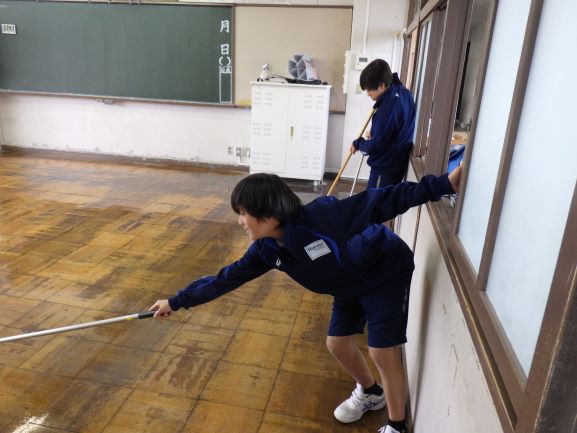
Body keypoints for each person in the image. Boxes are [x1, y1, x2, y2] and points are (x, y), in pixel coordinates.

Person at [150, 167, 462, 433]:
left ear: (269, 213)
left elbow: (382, 201)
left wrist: (443, 185)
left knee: (381, 350)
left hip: (383, 272)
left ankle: (396, 425)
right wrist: (175, 302)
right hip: (346, 285)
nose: (240, 221)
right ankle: (371, 392)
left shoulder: (322, 217)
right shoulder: (266, 249)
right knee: (337, 345)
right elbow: (224, 279)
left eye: (244, 213)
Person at [350, 59, 416, 189]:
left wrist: (358, 143)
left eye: (369, 89)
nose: (368, 94)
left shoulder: (387, 108)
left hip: (385, 169)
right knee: (387, 199)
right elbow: (394, 128)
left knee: (376, 200)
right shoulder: (405, 93)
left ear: (382, 85)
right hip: (397, 164)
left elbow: (374, 146)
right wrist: (375, 132)